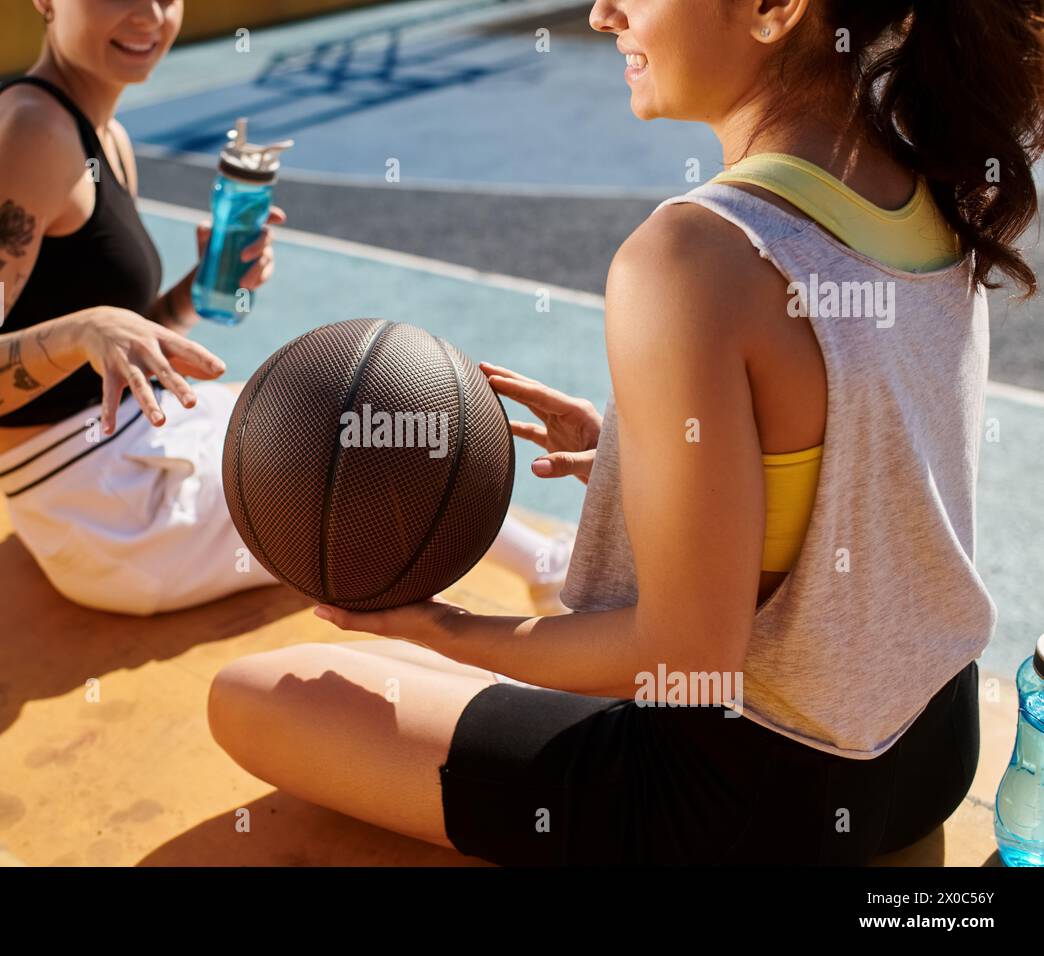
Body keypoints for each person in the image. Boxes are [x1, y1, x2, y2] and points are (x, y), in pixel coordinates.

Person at [207, 0, 1044, 865]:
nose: (604, 13)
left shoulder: (695, 255)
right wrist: (639, 452)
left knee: (258, 694)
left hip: (750, 800)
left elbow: (687, 657)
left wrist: (439, 627)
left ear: (771, 10)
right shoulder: (924, 173)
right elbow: (868, 451)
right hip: (927, 750)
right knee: (442, 682)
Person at [0, 0, 571, 618]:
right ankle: (551, 570)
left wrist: (192, 293)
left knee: (340, 402)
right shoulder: (29, 134)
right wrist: (86, 329)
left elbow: (108, 349)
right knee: (385, 430)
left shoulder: (103, 132)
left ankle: (545, 561)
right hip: (108, 514)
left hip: (124, 452)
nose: (149, 14)